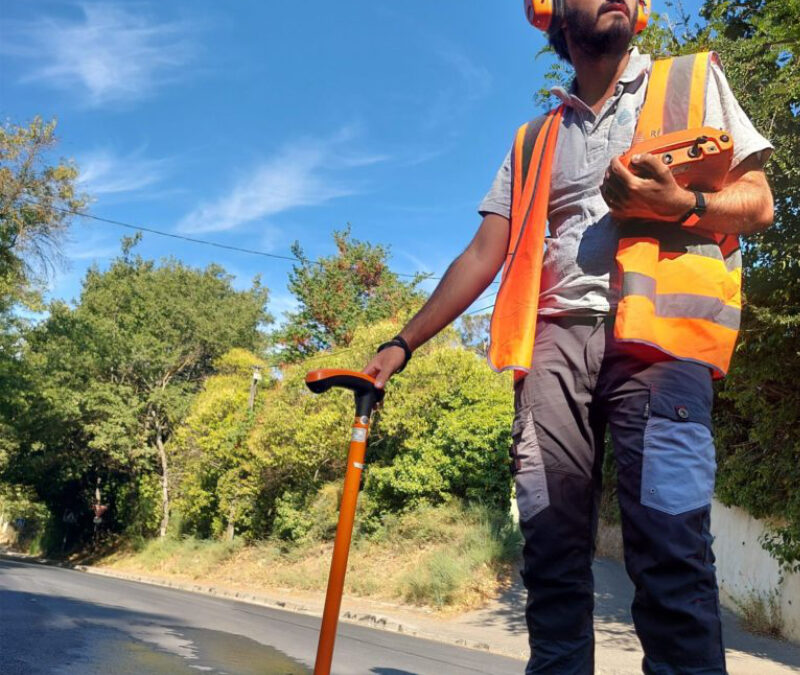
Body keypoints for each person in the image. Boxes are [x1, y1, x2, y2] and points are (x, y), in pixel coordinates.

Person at [361, 0, 774, 672]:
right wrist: (401, 343)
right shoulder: (532, 141)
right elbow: (481, 253)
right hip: (552, 354)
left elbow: (759, 202)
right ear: (551, 13)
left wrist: (683, 207)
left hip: (664, 357)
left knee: (673, 556)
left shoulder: (691, 83)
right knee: (551, 560)